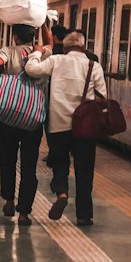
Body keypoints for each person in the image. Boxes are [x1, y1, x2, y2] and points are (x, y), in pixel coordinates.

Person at [26, 28, 106, 226]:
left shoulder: (57, 60)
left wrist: (37, 52)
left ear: (66, 46)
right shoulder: (93, 66)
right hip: (85, 126)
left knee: (59, 162)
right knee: (84, 169)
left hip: (58, 123)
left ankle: (62, 192)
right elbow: (102, 95)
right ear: (83, 46)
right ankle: (84, 215)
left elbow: (31, 70)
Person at [0, 23, 44, 227]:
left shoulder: (8, 51)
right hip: (33, 115)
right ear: (31, 38)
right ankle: (24, 212)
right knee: (29, 165)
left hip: (10, 114)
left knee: (8, 159)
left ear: (16, 38)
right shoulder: (41, 53)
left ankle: (9, 200)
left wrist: (2, 83)